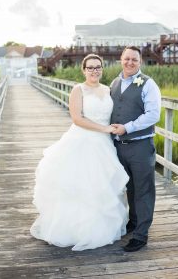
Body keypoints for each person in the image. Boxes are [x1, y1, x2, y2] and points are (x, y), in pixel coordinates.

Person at [30, 54, 129, 251]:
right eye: (90, 67)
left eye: (98, 67)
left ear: (102, 69)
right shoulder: (78, 89)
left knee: (100, 185)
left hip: (104, 145)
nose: (94, 71)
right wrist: (104, 129)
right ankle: (73, 230)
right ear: (83, 70)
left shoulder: (108, 90)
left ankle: (100, 228)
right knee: (80, 184)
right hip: (82, 140)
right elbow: (76, 118)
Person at [110, 46, 161, 252]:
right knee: (129, 188)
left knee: (144, 191)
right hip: (118, 147)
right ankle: (133, 221)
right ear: (121, 60)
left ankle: (141, 235)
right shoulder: (114, 83)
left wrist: (127, 128)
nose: (130, 62)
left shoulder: (149, 84)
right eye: (127, 59)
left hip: (140, 145)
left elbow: (153, 114)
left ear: (140, 63)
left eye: (134, 60)